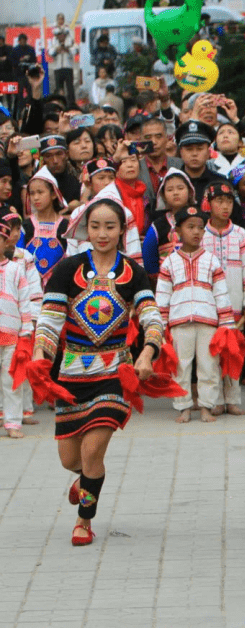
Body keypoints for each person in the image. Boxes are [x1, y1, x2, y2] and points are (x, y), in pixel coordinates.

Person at [33, 194, 165, 546]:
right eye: (95, 226)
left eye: (110, 226)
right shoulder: (67, 270)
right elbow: (49, 321)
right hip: (71, 375)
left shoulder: (133, 272)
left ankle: (84, 520)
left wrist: (147, 353)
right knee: (70, 459)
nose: (102, 233)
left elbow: (152, 318)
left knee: (93, 452)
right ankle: (86, 480)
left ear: (122, 230)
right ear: (85, 229)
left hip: (115, 373)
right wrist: (40, 355)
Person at [156, 206, 234, 424]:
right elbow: (162, 296)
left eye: (200, 227)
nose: (196, 232)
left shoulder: (212, 260)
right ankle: (184, 407)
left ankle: (207, 407)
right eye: (190, 227)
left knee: (209, 367)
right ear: (178, 231)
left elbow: (221, 294)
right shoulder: (169, 262)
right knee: (180, 367)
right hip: (179, 323)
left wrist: (227, 325)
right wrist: (160, 326)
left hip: (208, 322)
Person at [201, 181, 245, 415]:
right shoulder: (200, 234)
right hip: (208, 305)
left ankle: (233, 399)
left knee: (233, 352)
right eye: (219, 201)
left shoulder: (240, 234)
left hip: (234, 304)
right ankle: (214, 400)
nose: (225, 206)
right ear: (208, 203)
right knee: (211, 354)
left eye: (228, 202)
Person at [0, 211, 38, 438]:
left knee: (11, 378)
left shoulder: (16, 269)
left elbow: (25, 301)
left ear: (6, 242)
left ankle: (13, 423)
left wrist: (27, 329)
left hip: (12, 334)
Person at [142, 168, 196, 279]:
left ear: (190, 192)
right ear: (163, 196)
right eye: (170, 190)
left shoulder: (200, 220)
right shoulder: (158, 226)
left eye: (180, 188)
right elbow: (149, 257)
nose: (175, 193)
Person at [20, 167, 69, 283]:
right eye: (32, 193)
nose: (36, 198)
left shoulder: (66, 226)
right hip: (30, 285)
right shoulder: (25, 226)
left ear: (53, 194)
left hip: (58, 284)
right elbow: (19, 258)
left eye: (40, 192)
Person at [175, 120, 225, 205]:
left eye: (199, 149)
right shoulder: (171, 184)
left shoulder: (221, 183)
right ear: (180, 152)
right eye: (189, 149)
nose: (194, 154)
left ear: (208, 152)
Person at [39, 135, 82, 209]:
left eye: (59, 154)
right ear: (42, 159)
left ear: (67, 155)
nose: (55, 161)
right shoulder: (37, 183)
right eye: (48, 156)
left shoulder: (78, 180)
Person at [49, 15, 76, 106]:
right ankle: (59, 104)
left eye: (63, 34)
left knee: (70, 88)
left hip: (68, 67)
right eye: (59, 34)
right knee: (58, 88)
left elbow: (76, 50)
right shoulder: (53, 40)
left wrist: (67, 49)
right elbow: (50, 52)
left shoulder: (70, 39)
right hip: (57, 68)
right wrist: (57, 50)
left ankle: (71, 104)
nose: (61, 36)